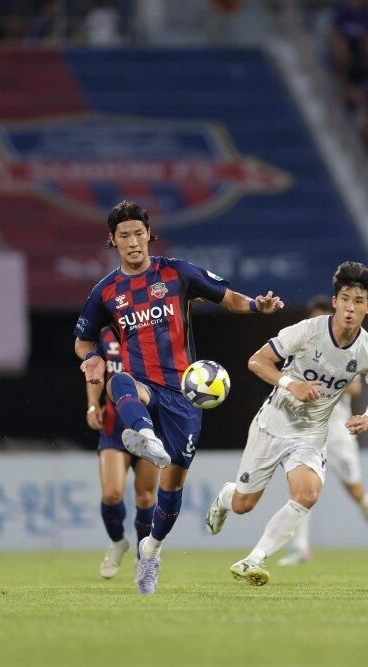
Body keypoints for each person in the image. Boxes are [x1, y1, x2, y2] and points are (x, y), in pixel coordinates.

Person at [74, 200, 284, 595]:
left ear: (148, 234)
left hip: (186, 395)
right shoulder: (106, 291)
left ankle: (150, 551)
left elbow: (228, 297)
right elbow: (83, 342)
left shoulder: (176, 272)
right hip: (143, 387)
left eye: (138, 233)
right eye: (124, 236)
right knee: (118, 382)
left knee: (170, 491)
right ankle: (144, 436)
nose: (133, 242)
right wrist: (94, 361)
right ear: (112, 241)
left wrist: (258, 304)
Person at [205, 261, 368, 586]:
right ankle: (225, 497)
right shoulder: (308, 331)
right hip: (273, 424)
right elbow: (256, 361)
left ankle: (253, 560)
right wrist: (292, 384)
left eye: (358, 302)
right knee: (244, 504)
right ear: (335, 301)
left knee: (307, 494)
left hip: (311, 434)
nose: (350, 308)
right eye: (345, 298)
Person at [276, 297, 368, 567]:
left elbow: (355, 390)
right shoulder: (305, 346)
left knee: (356, 491)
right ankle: (300, 548)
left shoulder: (350, 352)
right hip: (309, 430)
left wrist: (327, 379)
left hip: (339, 434)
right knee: (300, 489)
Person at [86, 325, 158, 580]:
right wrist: (93, 404)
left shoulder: (154, 329)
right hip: (114, 427)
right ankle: (117, 541)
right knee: (112, 493)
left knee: (146, 497)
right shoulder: (104, 335)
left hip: (150, 425)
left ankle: (143, 558)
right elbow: (96, 371)